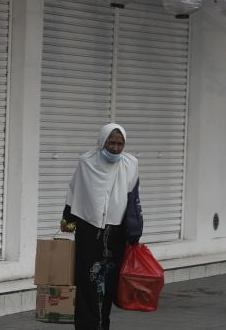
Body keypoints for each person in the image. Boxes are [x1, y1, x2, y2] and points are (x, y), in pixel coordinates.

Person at [60, 123, 142, 330]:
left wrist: (134, 231)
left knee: (108, 285)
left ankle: (102, 324)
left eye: (120, 144)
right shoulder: (86, 162)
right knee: (87, 282)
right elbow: (74, 191)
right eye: (111, 143)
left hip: (116, 233)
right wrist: (67, 219)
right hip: (89, 231)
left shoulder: (130, 164)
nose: (115, 148)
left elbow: (133, 199)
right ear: (102, 141)